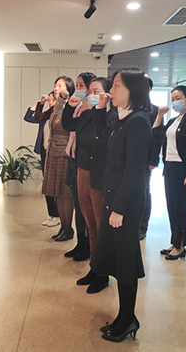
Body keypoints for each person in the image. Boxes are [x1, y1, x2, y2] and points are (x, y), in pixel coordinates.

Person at [90, 68, 152, 342]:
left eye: (116, 85)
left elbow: (134, 172)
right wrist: (102, 109)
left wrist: (119, 208)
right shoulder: (123, 118)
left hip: (125, 203)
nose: (111, 90)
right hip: (115, 198)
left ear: (132, 89)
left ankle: (128, 319)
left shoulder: (138, 121)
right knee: (117, 259)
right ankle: (124, 316)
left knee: (125, 261)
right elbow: (103, 138)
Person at [63, 76, 112, 294]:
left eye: (96, 91)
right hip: (81, 171)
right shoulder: (86, 114)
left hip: (99, 176)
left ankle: (103, 273)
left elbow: (103, 142)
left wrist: (101, 110)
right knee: (90, 223)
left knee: (101, 226)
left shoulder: (111, 117)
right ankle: (94, 266)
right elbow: (68, 125)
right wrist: (69, 106)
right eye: (90, 91)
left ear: (107, 95)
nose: (91, 95)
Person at [152, 85, 186, 260]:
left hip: (183, 168)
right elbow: (156, 133)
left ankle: (181, 246)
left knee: (180, 207)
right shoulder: (173, 120)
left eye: (178, 98)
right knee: (172, 206)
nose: (175, 102)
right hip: (169, 166)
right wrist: (159, 115)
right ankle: (175, 242)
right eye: (173, 99)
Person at [34, 76, 75, 242]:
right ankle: (63, 227)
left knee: (65, 193)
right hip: (52, 153)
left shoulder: (72, 106)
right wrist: (41, 104)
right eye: (55, 85)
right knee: (57, 193)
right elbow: (37, 118)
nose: (56, 88)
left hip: (64, 154)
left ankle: (68, 228)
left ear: (68, 89)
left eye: (60, 85)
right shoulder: (55, 108)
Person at [63, 72, 96, 261]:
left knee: (86, 206)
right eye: (77, 85)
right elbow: (68, 124)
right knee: (77, 203)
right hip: (74, 158)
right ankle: (80, 242)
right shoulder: (78, 106)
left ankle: (89, 245)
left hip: (86, 162)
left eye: (81, 85)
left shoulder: (94, 109)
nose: (78, 89)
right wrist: (69, 106)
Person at [23, 91, 60, 227]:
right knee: (47, 184)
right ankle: (52, 214)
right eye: (49, 100)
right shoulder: (44, 116)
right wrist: (40, 104)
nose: (51, 103)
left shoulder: (61, 116)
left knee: (56, 185)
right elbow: (28, 117)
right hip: (45, 152)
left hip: (57, 153)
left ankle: (59, 215)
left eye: (53, 100)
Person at [139, 77, 160, 240]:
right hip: (129, 158)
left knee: (145, 192)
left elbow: (157, 137)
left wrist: (153, 160)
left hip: (146, 160)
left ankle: (142, 226)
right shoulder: (129, 108)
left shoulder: (155, 111)